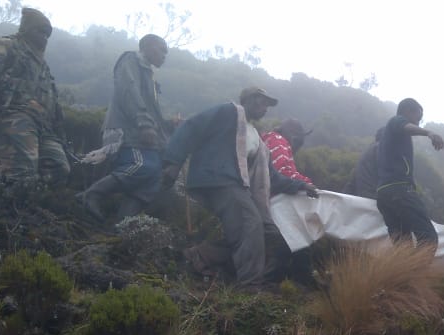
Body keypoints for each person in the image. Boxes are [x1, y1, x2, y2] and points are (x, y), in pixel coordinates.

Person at [160, 87, 304, 290]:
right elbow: (192, 126)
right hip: (217, 178)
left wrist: (301, 185)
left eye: (268, 106)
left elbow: (271, 175)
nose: (266, 108)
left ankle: (201, 255)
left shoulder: (256, 138)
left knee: (259, 233)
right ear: (251, 100)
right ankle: (250, 284)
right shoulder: (229, 112)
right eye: (263, 102)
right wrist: (173, 162)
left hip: (235, 184)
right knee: (250, 223)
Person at [78, 34, 171, 223]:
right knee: (142, 166)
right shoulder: (131, 60)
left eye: (166, 52)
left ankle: (123, 223)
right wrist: (145, 123)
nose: (164, 55)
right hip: (127, 130)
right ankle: (91, 194)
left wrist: (167, 128)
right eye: (161, 49)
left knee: (153, 177)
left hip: (144, 134)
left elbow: (151, 110)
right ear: (147, 45)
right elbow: (129, 92)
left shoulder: (149, 75)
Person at [0, 8, 69, 185]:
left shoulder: (42, 65)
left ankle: (15, 193)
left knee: (58, 167)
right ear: (27, 29)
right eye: (40, 32)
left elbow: (52, 99)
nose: (44, 38)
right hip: (13, 116)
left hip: (43, 126)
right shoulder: (5, 45)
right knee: (21, 172)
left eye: (47, 35)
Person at [376, 98, 444, 248]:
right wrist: (429, 132)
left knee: (403, 246)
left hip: (383, 193)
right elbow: (405, 125)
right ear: (407, 112)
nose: (418, 123)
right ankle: (420, 265)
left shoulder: (388, 139)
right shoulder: (395, 121)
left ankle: (406, 264)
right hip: (400, 189)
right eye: (418, 118)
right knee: (428, 239)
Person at [261, 118, 314, 186]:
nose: (298, 148)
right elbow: (282, 172)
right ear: (293, 136)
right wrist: (307, 183)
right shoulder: (278, 142)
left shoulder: (272, 140)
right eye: (299, 142)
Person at [344, 127, 383, 199]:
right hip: (372, 197)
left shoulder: (367, 151)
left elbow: (352, 182)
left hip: (359, 196)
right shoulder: (380, 148)